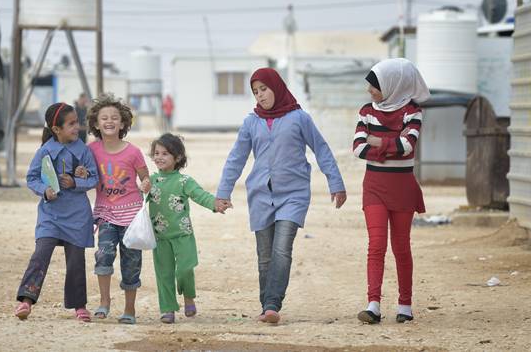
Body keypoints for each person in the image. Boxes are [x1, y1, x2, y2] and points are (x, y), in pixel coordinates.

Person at [215, 68, 347, 324]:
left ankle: (273, 303)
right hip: (261, 196)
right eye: (255, 91)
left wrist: (336, 183)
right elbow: (236, 158)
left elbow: (321, 149)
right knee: (265, 257)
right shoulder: (251, 122)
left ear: (277, 86)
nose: (260, 95)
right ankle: (267, 307)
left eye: (264, 89)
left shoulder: (300, 118)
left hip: (293, 195)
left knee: (282, 250)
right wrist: (223, 192)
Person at [352, 58, 430, 324]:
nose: (369, 91)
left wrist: (377, 142)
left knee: (401, 247)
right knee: (376, 245)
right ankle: (373, 304)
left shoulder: (412, 110)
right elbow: (359, 148)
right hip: (374, 187)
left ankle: (405, 305)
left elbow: (408, 145)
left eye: (374, 86)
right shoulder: (366, 111)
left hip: (403, 189)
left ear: (392, 85)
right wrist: (389, 144)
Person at [14, 102, 98, 322]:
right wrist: (45, 190)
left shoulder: (84, 151)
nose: (76, 128)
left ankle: (79, 306)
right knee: (40, 255)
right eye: (71, 124)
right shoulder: (44, 152)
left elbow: (94, 178)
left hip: (78, 216)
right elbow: (32, 178)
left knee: (76, 262)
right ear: (56, 129)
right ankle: (26, 300)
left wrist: (76, 182)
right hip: (50, 215)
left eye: (77, 123)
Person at [146, 133, 231, 324]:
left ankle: (189, 297)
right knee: (164, 274)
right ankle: (167, 309)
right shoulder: (150, 181)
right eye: (156, 153)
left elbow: (200, 195)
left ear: (177, 158)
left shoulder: (185, 181)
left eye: (165, 153)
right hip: (159, 237)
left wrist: (215, 204)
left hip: (183, 235)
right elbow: (136, 199)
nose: (159, 157)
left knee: (185, 270)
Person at [86, 93, 151, 324]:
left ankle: (130, 310)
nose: (110, 121)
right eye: (104, 118)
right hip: (105, 213)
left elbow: (146, 179)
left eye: (115, 117)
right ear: (96, 123)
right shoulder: (91, 150)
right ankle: (104, 302)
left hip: (132, 216)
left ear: (123, 123)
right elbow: (86, 175)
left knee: (131, 264)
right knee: (103, 256)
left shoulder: (133, 152)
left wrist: (145, 184)